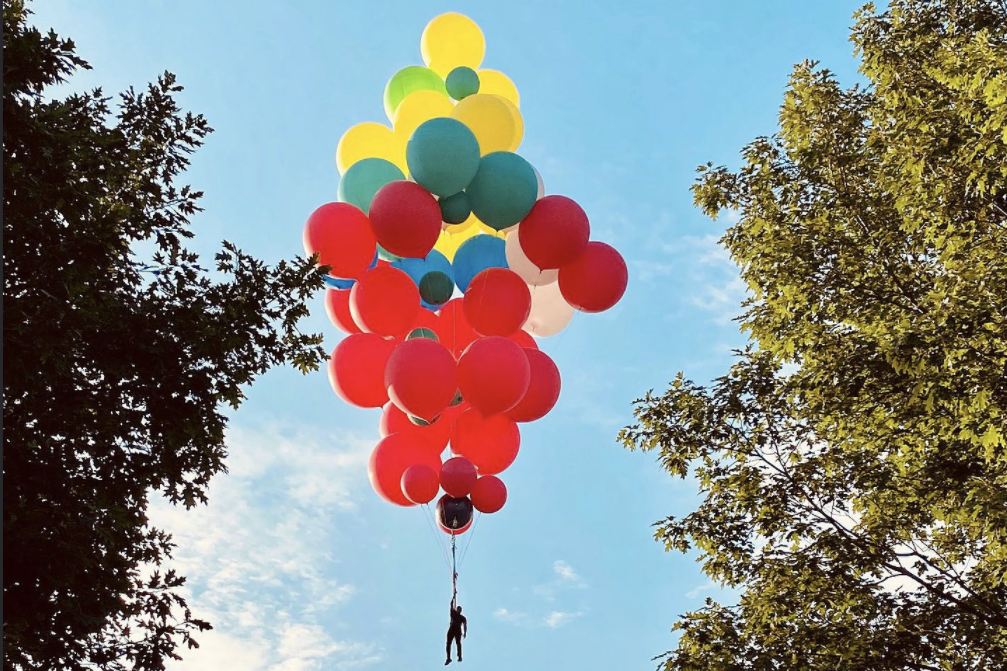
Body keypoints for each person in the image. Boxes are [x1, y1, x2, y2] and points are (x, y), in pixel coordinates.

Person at [445, 597, 467, 664]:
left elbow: (465, 625)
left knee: (458, 643)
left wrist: (465, 633)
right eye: (458, 608)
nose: (459, 610)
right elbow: (451, 605)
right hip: (452, 629)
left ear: (461, 610)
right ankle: (448, 658)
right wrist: (453, 598)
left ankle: (459, 656)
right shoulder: (453, 612)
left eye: (460, 609)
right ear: (457, 609)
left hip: (457, 630)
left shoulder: (462, 618)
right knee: (448, 643)